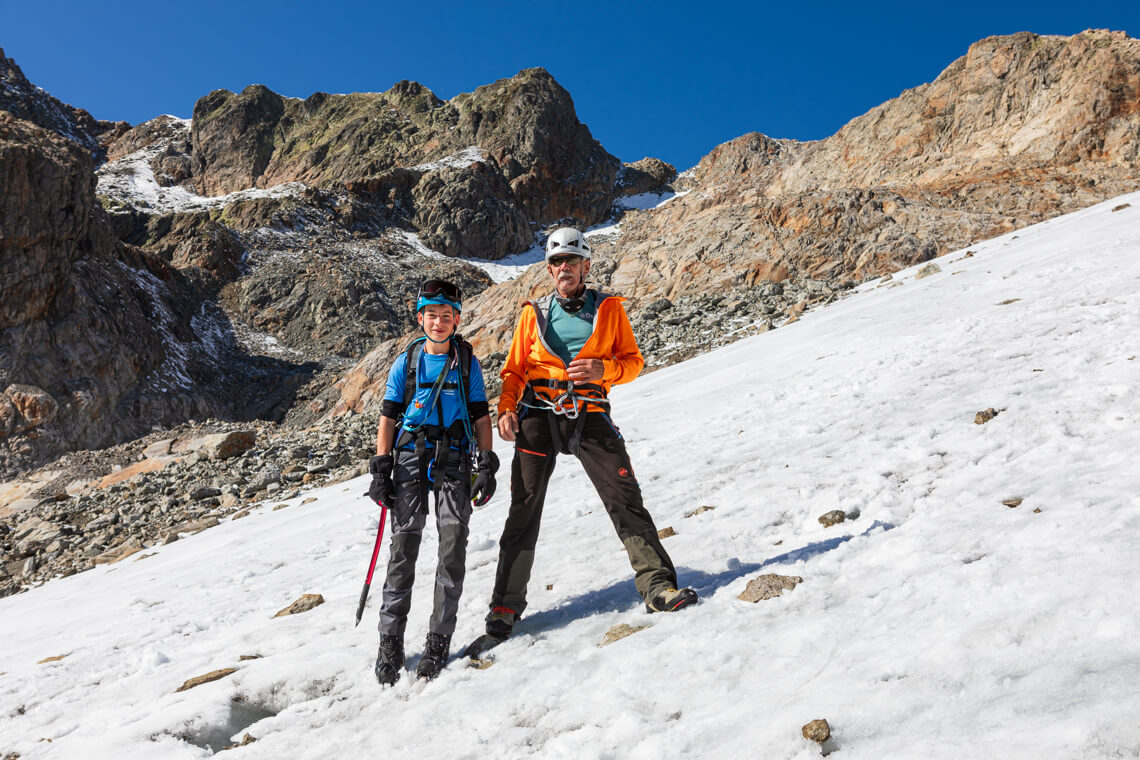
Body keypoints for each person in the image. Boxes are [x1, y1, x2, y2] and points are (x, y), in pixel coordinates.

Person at [482, 227, 697, 643]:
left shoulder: (609, 310)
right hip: (537, 414)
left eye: (572, 261)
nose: (564, 268)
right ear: (550, 269)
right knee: (524, 508)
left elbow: (633, 362)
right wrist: (506, 407)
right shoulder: (533, 312)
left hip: (590, 412)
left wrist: (606, 371)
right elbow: (514, 369)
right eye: (557, 262)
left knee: (623, 496)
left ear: (586, 266)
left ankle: (656, 586)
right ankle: (505, 606)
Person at [367, 279, 499, 684]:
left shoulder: (467, 363)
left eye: (447, 316)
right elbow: (388, 416)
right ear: (420, 317)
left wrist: (486, 463)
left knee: (452, 544)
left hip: (456, 457)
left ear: (457, 319)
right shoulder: (405, 364)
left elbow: (479, 414)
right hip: (410, 457)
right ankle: (390, 642)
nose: (439, 323)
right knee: (403, 547)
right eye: (432, 315)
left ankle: (438, 640)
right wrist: (380, 466)